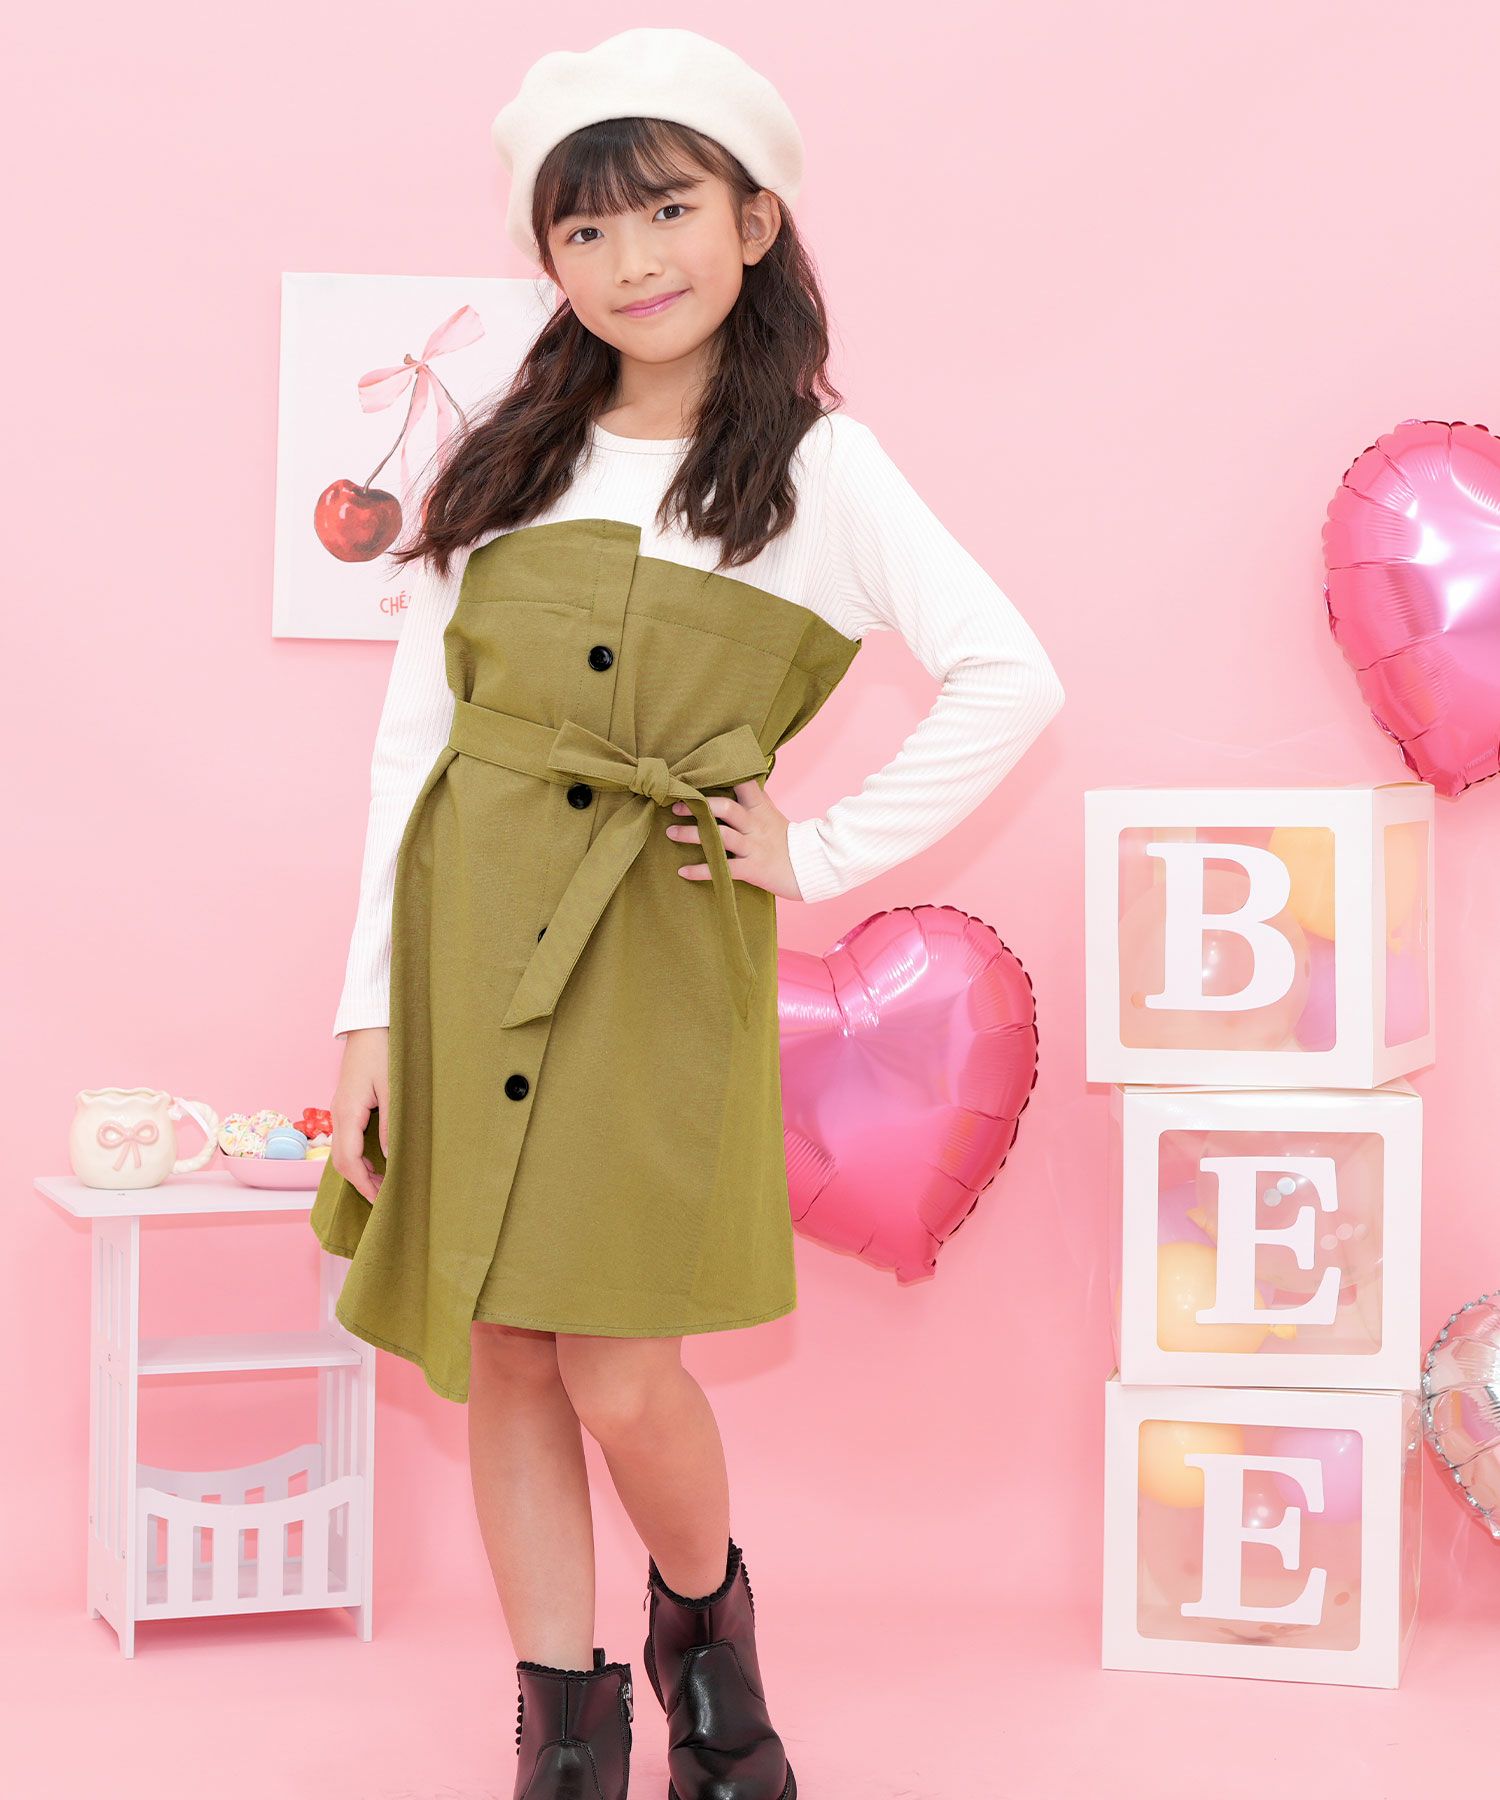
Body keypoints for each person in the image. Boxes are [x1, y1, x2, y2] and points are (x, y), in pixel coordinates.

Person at [311, 26, 1065, 1800]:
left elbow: (1010, 677)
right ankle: (564, 1735)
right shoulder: (505, 464)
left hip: (653, 949)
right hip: (468, 934)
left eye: (665, 210)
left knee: (618, 1362)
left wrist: (820, 850)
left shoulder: (820, 469)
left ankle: (707, 1638)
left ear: (753, 219)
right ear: (548, 259)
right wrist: (366, 1015)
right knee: (502, 1345)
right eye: (583, 230)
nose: (630, 259)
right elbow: (414, 748)